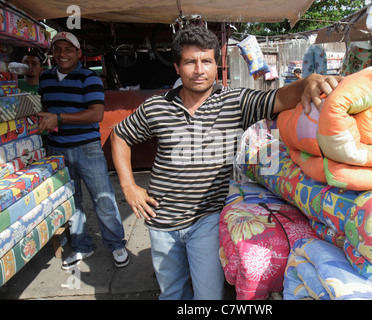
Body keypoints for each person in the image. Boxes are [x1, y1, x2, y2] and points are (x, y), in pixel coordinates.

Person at [110, 25, 342, 300]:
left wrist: (308, 82)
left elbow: (280, 98)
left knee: (208, 297)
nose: (199, 69)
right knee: (172, 293)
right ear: (176, 67)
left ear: (216, 67)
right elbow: (119, 135)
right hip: (160, 219)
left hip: (206, 218)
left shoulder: (235, 102)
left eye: (206, 61)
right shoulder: (156, 107)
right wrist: (128, 186)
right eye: (189, 61)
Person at [36, 32, 129, 270]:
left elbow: (96, 114)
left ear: (78, 53)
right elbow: (46, 107)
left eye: (69, 49)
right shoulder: (45, 78)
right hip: (56, 150)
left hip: (87, 148)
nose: (63, 54)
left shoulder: (88, 77)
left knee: (104, 199)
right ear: (52, 53)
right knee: (70, 201)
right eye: (58, 49)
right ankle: (81, 246)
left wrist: (58, 118)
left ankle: (116, 244)